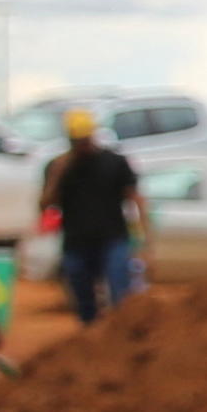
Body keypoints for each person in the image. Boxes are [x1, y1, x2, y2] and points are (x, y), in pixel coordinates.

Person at [38, 107, 146, 325]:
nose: (82, 146)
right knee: (83, 300)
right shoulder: (58, 167)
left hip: (113, 238)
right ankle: (90, 340)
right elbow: (45, 205)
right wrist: (57, 176)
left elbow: (136, 199)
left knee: (120, 294)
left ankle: (119, 337)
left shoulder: (114, 163)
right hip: (76, 242)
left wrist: (143, 240)